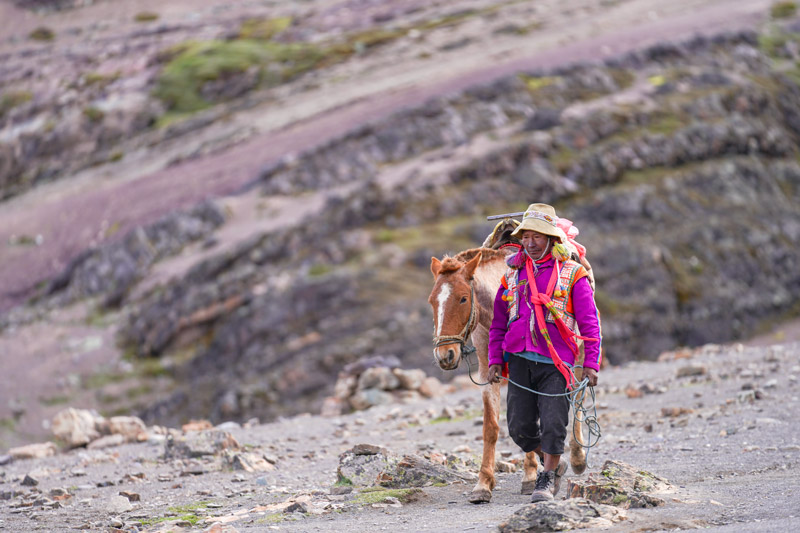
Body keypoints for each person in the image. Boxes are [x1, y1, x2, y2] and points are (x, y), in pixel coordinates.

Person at [487, 203, 602, 503]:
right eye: (526, 237)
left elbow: (590, 322)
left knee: (553, 423)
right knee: (519, 429)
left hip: (557, 362)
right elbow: (499, 323)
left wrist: (590, 363)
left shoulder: (573, 274)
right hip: (520, 361)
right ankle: (555, 461)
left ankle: (546, 477)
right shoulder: (511, 275)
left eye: (537, 237)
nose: (530, 243)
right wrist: (495, 360)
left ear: (551, 239)